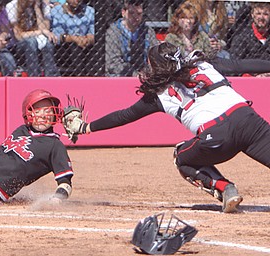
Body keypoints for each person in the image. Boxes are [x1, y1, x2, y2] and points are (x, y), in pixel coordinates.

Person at [63, 42, 270, 213]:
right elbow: (241, 65)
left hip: (216, 136)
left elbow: (124, 115)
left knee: (182, 157)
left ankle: (226, 189)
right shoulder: (205, 64)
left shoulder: (159, 94)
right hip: (247, 119)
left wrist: (86, 127)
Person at [6, 0, 60, 76]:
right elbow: (19, 36)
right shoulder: (12, 6)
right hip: (20, 45)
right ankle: (34, 76)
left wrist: (37, 8)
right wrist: (41, 31)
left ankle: (51, 76)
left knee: (48, 43)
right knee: (31, 42)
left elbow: (45, 29)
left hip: (39, 40)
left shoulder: (44, 5)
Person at [105, 0, 158, 77]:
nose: (135, 17)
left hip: (144, 74)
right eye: (131, 13)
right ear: (123, 13)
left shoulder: (148, 31)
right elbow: (113, 63)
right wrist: (135, 74)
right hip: (119, 76)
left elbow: (155, 56)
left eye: (139, 14)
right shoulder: (113, 31)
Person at [50, 0, 95, 76]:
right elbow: (57, 36)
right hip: (64, 48)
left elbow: (93, 32)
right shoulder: (57, 11)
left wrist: (88, 38)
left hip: (85, 44)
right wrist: (74, 39)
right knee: (75, 47)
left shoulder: (90, 11)